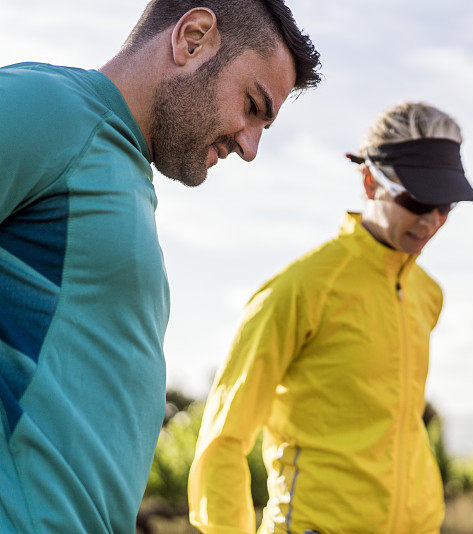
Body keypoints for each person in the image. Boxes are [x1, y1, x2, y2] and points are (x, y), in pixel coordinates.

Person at [0, 1, 320, 532]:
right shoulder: (48, 108)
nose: (250, 146)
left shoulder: (120, 167)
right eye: (251, 104)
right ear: (193, 38)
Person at [188, 101, 473, 534]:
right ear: (369, 180)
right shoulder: (301, 289)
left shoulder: (427, 295)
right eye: (418, 199)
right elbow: (224, 439)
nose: (433, 220)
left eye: (447, 205)